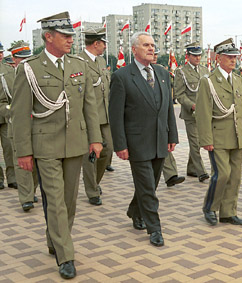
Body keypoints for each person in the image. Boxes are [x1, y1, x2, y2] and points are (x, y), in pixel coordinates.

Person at [11, 12, 103, 279]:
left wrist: (95, 138)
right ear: (48, 37)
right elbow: (19, 114)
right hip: (45, 146)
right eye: (65, 36)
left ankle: (55, 239)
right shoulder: (30, 68)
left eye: (71, 36)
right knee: (55, 200)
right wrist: (24, 152)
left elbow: (90, 107)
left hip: (75, 144)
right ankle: (66, 255)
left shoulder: (78, 64)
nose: (70, 41)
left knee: (68, 201)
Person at [109, 32, 178, 247]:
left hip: (159, 140)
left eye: (153, 45)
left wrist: (172, 136)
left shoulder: (162, 73)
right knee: (147, 187)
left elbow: (168, 109)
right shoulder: (122, 76)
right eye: (146, 45)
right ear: (134, 50)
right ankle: (154, 228)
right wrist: (120, 145)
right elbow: (116, 115)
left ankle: (134, 210)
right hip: (137, 143)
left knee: (152, 183)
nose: (151, 48)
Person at [196, 38, 242, 226]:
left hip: (236, 136)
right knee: (222, 174)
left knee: (235, 176)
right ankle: (210, 208)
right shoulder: (209, 82)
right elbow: (203, 113)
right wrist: (205, 139)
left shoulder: (237, 79)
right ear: (218, 58)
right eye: (229, 57)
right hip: (218, 136)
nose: (233, 60)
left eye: (235, 57)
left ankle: (228, 212)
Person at [0, 42, 39, 211]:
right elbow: (2, 102)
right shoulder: (6, 75)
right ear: (14, 58)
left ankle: (32, 189)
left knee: (37, 162)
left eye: (27, 58)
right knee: (20, 161)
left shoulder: (38, 71)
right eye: (21, 58)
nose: (25, 61)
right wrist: (12, 112)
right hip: (15, 123)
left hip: (37, 123)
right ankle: (26, 197)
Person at [79, 27, 113, 206]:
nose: (105, 47)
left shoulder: (100, 61)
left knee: (107, 152)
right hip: (88, 118)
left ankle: (95, 182)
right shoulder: (78, 62)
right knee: (90, 156)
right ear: (96, 43)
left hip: (105, 117)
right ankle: (92, 191)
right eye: (104, 43)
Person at [174, 42, 210, 183]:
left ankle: (191, 168)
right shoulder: (181, 72)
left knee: (200, 140)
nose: (197, 58)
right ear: (188, 56)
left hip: (204, 113)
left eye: (199, 55)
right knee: (195, 143)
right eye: (194, 55)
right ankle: (201, 171)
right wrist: (193, 105)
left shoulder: (204, 70)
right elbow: (179, 94)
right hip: (191, 113)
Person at [152, 47, 185, 187]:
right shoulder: (132, 73)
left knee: (165, 148)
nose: (154, 56)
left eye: (155, 54)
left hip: (161, 119)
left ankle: (171, 175)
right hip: (144, 122)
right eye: (152, 53)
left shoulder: (161, 72)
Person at [0, 43, 17, 190]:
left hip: (4, 114)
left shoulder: (7, 69)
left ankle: (12, 178)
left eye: (1, 52)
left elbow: (13, 91)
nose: (0, 54)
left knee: (9, 147)